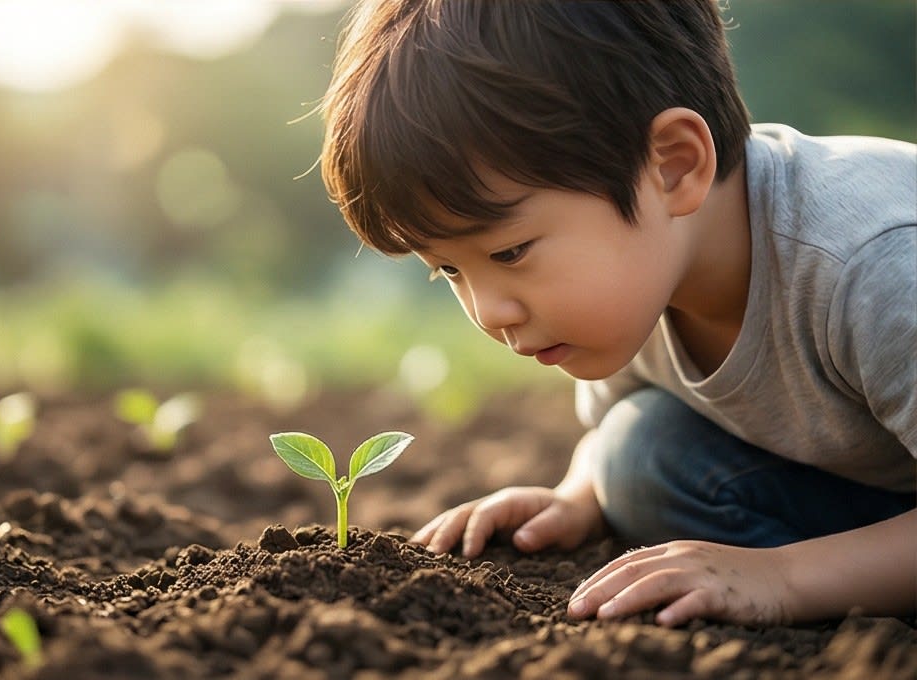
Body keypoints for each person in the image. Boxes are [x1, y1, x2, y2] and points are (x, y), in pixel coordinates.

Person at [318, 0, 916, 627]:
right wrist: (574, 501)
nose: (488, 311)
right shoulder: (634, 278)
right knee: (632, 457)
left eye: (509, 251)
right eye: (449, 269)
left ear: (673, 165)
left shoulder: (873, 263)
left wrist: (786, 578)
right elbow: (614, 428)